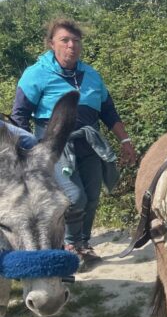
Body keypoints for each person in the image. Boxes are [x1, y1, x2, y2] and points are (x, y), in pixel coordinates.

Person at [11, 18, 136, 265]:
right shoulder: (36, 74)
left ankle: (83, 243)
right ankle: (68, 243)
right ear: (51, 44)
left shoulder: (90, 74)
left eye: (76, 41)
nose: (71, 46)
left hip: (89, 143)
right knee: (73, 196)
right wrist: (28, 154)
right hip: (53, 146)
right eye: (65, 40)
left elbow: (108, 111)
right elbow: (20, 115)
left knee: (91, 197)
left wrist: (126, 141)